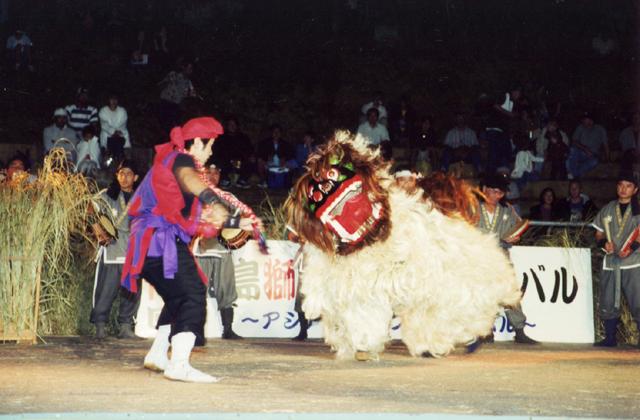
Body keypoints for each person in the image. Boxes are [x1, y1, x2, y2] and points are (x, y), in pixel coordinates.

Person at [121, 117, 260, 383]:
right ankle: (179, 364)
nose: (210, 152)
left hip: (152, 245)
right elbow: (190, 179)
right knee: (194, 292)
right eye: (209, 146)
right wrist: (213, 199)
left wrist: (237, 222)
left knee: (177, 297)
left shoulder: (173, 164)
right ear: (196, 142)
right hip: (158, 242)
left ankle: (158, 353)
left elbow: (198, 221)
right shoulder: (179, 159)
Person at [475, 174, 538, 344]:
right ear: (483, 190)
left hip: (501, 257)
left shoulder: (507, 211)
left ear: (502, 194)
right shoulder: (472, 208)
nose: (492, 195)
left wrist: (514, 237)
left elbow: (516, 229)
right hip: (479, 258)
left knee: (510, 293)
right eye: (489, 191)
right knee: (482, 294)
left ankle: (520, 330)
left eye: (497, 192)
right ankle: (485, 331)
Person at [90, 160, 141, 339]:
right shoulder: (107, 195)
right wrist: (97, 229)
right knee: (106, 289)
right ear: (116, 176)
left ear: (135, 177)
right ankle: (100, 326)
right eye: (121, 173)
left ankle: (126, 327)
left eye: (128, 174)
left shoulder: (141, 197)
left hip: (133, 251)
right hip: (112, 250)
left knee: (132, 291)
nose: (124, 177)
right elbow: (89, 209)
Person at [193, 164, 242, 340]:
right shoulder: (195, 197)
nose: (213, 176)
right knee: (198, 292)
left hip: (223, 250)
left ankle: (227, 329)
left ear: (220, 175)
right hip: (201, 249)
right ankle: (197, 331)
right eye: (209, 172)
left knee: (227, 290)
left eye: (216, 172)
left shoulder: (228, 197)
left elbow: (241, 219)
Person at [592, 173, 640, 347]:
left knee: (638, 299)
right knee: (608, 299)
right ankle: (610, 338)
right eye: (620, 185)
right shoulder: (608, 208)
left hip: (634, 261)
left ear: (635, 189)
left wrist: (631, 248)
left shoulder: (638, 208)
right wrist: (604, 243)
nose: (623, 189)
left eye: (628, 186)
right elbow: (598, 233)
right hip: (612, 261)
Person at [210, 116, 255, 189]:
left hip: (241, 161)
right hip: (226, 161)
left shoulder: (243, 137)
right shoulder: (221, 137)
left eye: (234, 125)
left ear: (237, 126)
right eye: (230, 125)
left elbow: (249, 150)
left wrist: (245, 157)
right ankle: (225, 180)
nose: (232, 126)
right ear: (227, 126)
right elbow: (217, 151)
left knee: (252, 161)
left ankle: (242, 180)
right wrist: (231, 160)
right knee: (217, 161)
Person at [567, 112, 609, 180]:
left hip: (593, 155)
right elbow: (574, 141)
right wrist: (585, 149)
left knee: (594, 161)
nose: (583, 121)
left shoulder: (600, 129)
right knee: (572, 150)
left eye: (585, 119)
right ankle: (574, 174)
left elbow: (606, 144)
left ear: (591, 120)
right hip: (580, 153)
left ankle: (574, 174)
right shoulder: (580, 127)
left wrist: (607, 158)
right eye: (583, 120)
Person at [158, 59, 196, 133]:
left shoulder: (188, 83)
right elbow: (161, 84)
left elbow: (192, 95)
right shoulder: (174, 75)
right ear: (183, 68)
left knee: (173, 126)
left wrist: (191, 95)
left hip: (175, 106)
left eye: (191, 69)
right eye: (189, 68)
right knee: (163, 125)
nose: (190, 71)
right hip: (165, 102)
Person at [99, 94, 131, 163]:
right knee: (108, 159)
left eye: (115, 100)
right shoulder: (103, 111)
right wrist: (113, 132)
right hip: (107, 136)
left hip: (121, 135)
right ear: (108, 101)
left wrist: (117, 132)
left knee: (124, 157)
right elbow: (104, 125)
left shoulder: (122, 111)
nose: (113, 101)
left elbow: (123, 124)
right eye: (111, 99)